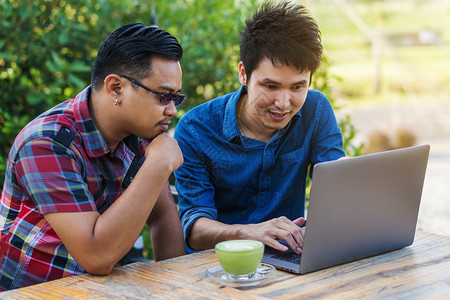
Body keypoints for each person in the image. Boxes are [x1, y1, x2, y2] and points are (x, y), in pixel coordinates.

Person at [0, 23, 186, 291]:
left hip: (94, 291)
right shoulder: (45, 143)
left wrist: (179, 290)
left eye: (176, 98)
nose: (171, 110)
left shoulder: (140, 133)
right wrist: (157, 165)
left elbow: (161, 216)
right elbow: (96, 256)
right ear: (115, 88)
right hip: (26, 292)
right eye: (163, 96)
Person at [174, 2, 346, 254]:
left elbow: (337, 189)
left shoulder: (316, 109)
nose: (284, 104)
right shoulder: (195, 129)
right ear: (244, 74)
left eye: (297, 87)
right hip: (220, 265)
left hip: (289, 257)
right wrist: (250, 232)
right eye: (270, 86)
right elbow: (195, 231)